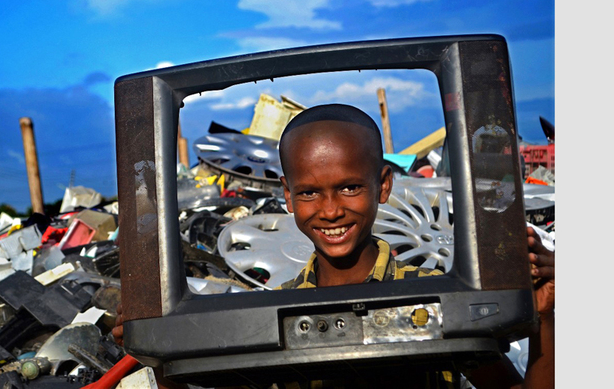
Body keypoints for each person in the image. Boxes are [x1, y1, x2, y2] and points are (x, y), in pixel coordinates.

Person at [114, 104, 555, 388]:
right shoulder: (269, 316)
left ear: (383, 185)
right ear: (286, 196)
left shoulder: (438, 299)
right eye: (308, 193)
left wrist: (547, 316)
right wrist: (156, 350)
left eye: (348, 188)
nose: (330, 211)